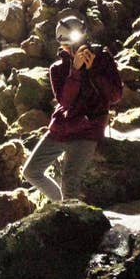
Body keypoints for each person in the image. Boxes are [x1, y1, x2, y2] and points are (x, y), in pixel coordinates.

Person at [21, 15, 122, 202]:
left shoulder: (102, 58)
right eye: (70, 45)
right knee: (31, 171)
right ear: (63, 46)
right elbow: (65, 101)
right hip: (63, 126)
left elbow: (115, 96)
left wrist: (93, 72)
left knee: (70, 181)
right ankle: (61, 206)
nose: (76, 48)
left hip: (89, 127)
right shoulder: (57, 69)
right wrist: (75, 71)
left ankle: (72, 224)